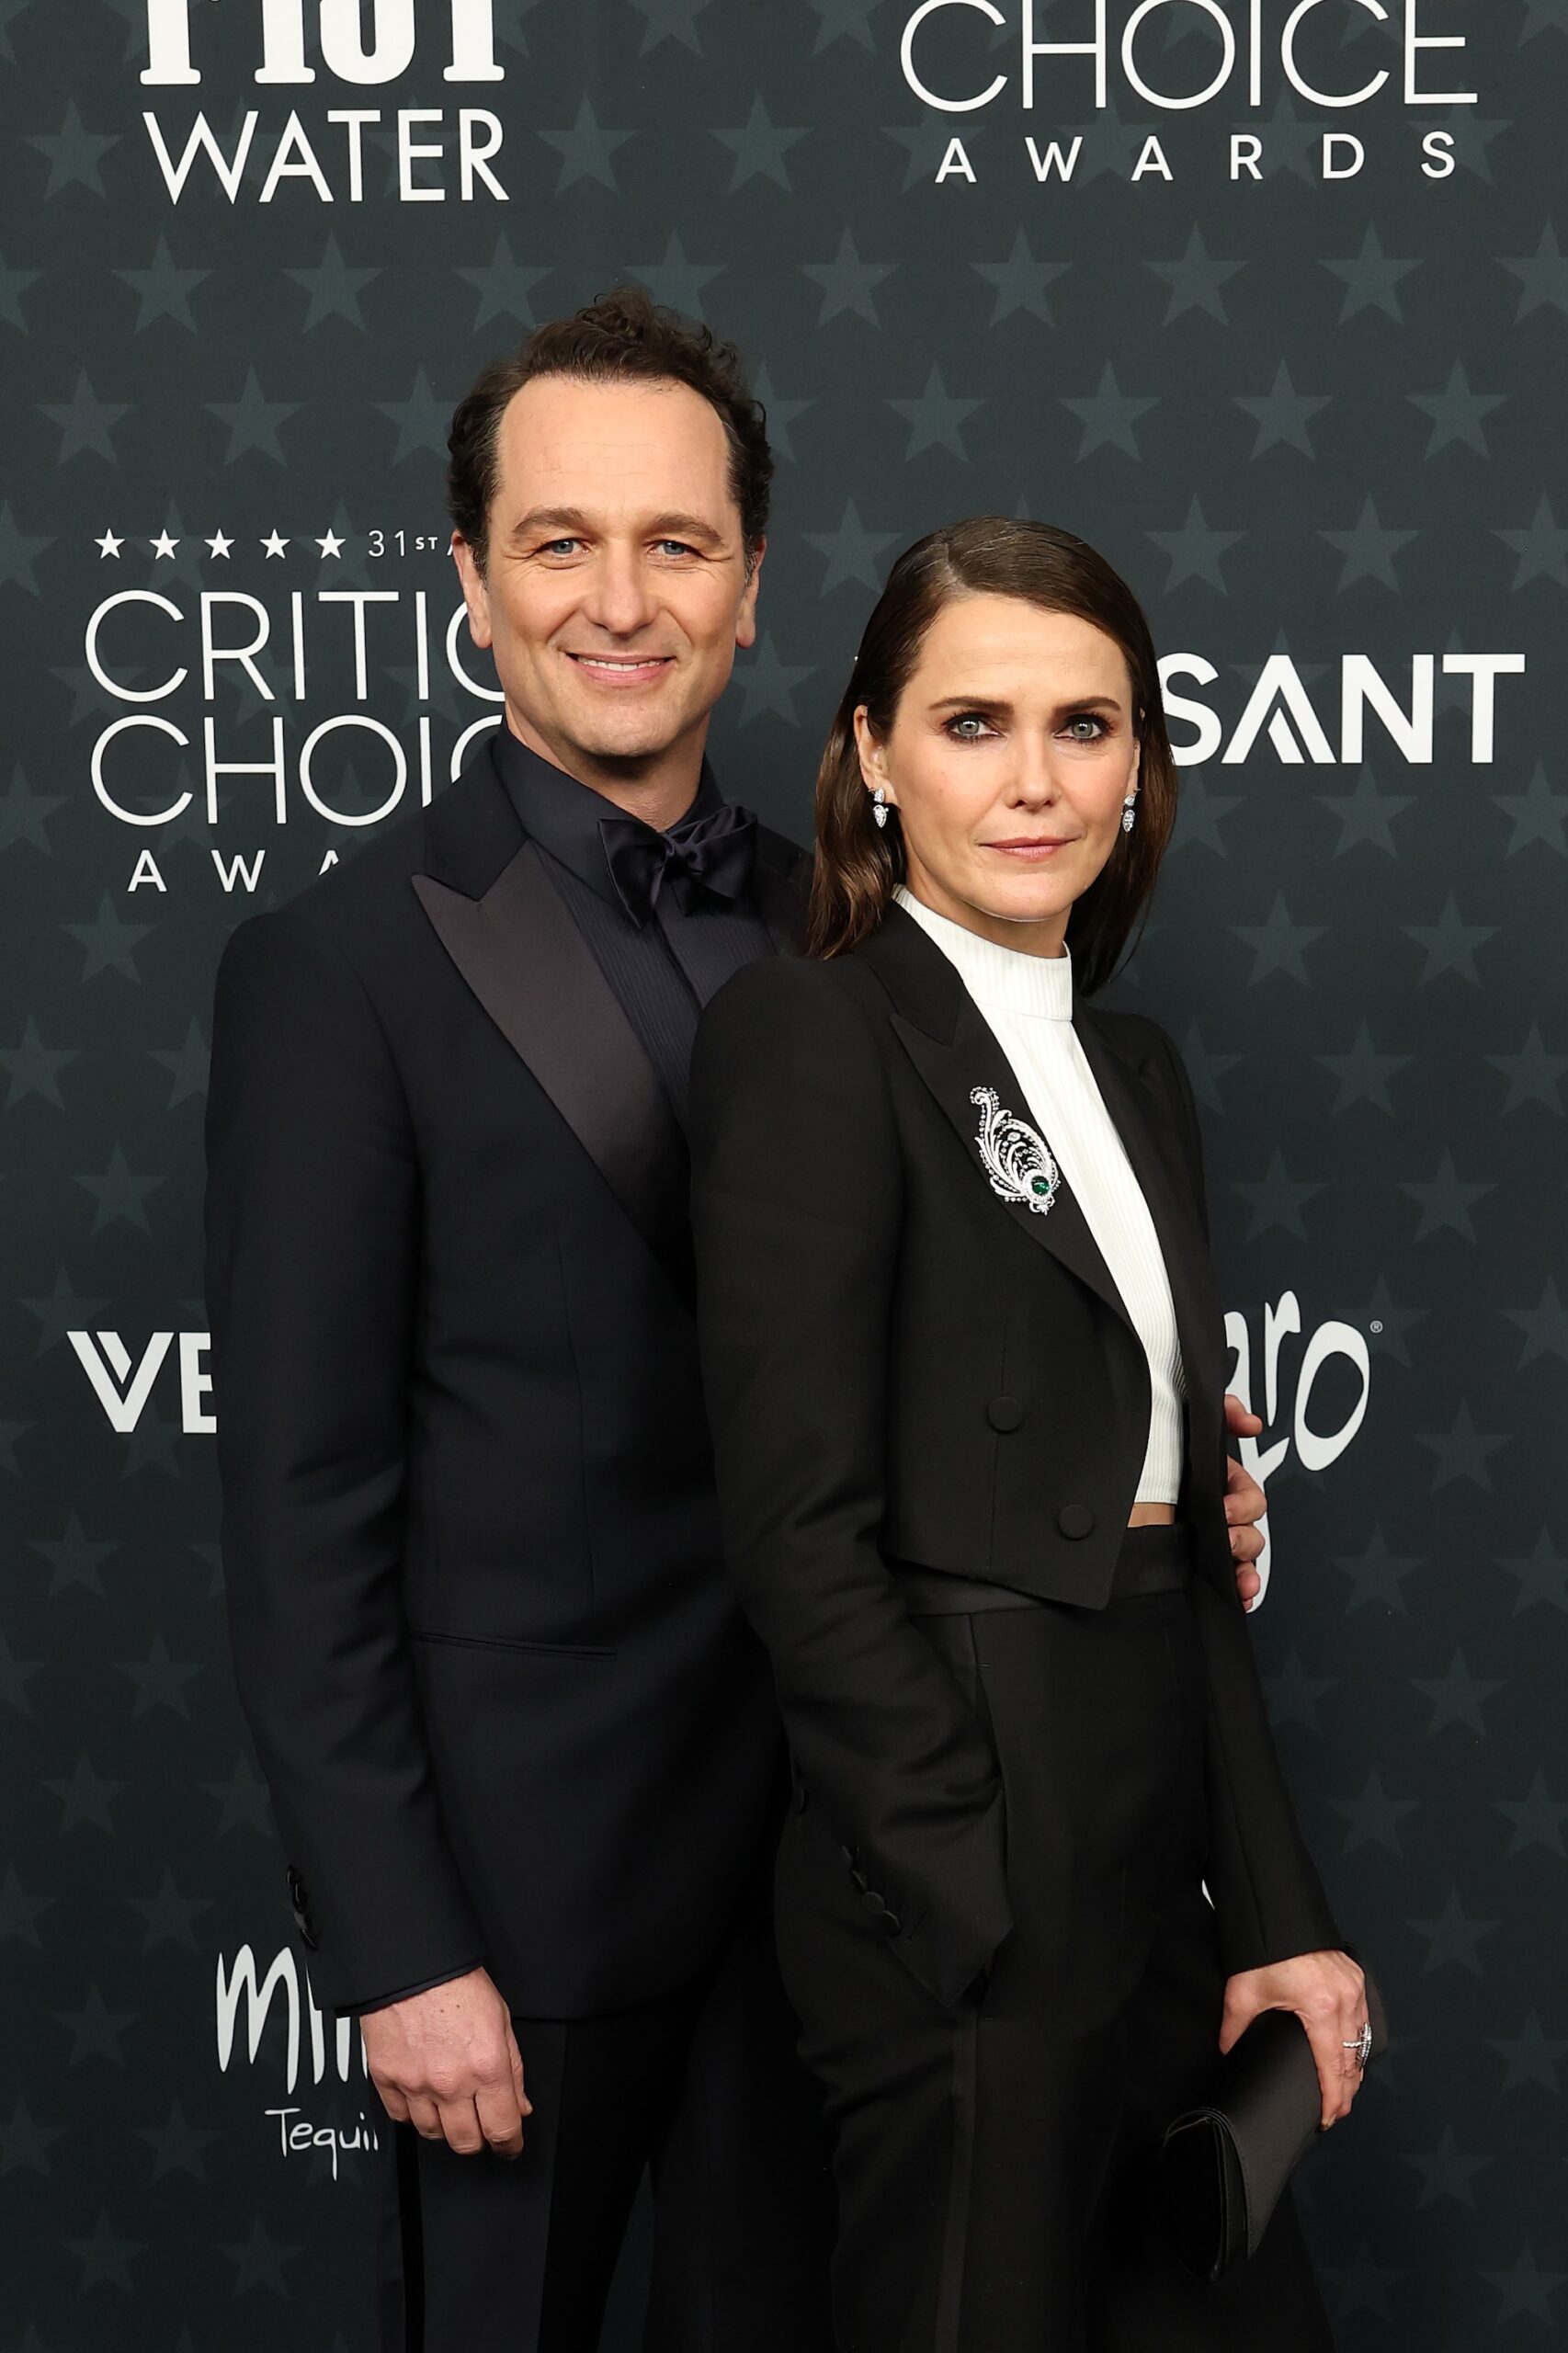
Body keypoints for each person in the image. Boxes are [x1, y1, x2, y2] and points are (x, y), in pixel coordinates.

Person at [204, 293, 1273, 2353]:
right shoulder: (337, 965)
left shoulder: (886, 930)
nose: (622, 599)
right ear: (470, 578)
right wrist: (398, 1938)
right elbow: (299, 1504)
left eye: (677, 544)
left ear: (754, 585)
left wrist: (1143, 1491)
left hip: (866, 1869)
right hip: (537, 1899)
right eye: (559, 540)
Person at [688, 516, 1371, 2353]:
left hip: (1155, 1838)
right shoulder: (808, 1035)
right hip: (964, 1846)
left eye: (1087, 725)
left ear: (1139, 761)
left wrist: (1276, 1914)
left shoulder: (1132, 1067)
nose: (1036, 777)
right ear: (871, 755)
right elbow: (795, 1531)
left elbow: (1182, 1544)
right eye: (973, 722)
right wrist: (965, 1879)